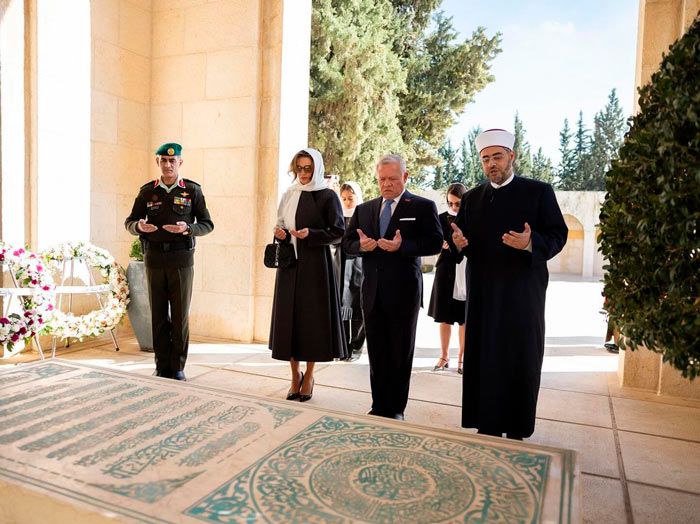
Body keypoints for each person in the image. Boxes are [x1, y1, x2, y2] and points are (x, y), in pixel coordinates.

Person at [451, 129, 567, 439]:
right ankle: (486, 423)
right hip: (484, 294)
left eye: (497, 157)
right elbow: (463, 241)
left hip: (521, 295)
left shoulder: (538, 192)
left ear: (511, 156)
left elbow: (558, 235)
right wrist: (459, 243)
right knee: (485, 356)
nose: (491, 164)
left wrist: (531, 243)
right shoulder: (473, 198)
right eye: (485, 159)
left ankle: (516, 426)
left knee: (519, 356)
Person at [344, 154, 443, 420]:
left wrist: (404, 247)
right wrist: (360, 246)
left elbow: (435, 242)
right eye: (382, 179)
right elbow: (347, 243)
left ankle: (396, 408)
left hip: (404, 293)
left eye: (393, 179)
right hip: (372, 292)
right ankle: (379, 405)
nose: (387, 184)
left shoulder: (422, 207)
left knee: (400, 352)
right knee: (377, 351)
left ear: (405, 177)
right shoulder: (364, 209)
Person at [125, 142, 214, 381]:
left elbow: (207, 224)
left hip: (181, 260)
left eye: (172, 161)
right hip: (153, 259)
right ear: (158, 162)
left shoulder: (192, 190)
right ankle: (161, 364)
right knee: (158, 315)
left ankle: (177, 366)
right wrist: (138, 226)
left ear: (180, 163)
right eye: (163, 160)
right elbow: (131, 221)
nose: (167, 165)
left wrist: (189, 228)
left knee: (179, 316)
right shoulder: (147, 191)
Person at [269, 148, 347, 402]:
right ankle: (294, 376)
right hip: (290, 266)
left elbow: (338, 232)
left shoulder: (327, 196)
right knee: (289, 321)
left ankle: (310, 375)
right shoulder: (289, 194)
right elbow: (281, 225)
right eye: (299, 168)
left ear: (317, 169)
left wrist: (311, 235)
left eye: (308, 168)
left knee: (311, 323)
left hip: (315, 266)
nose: (303, 173)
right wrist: (280, 233)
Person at [427, 182, 468, 374]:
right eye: (450, 203)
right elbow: (437, 243)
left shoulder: (471, 218)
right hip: (445, 271)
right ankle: (444, 356)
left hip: (466, 270)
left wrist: (451, 244)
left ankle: (462, 357)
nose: (453, 207)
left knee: (464, 318)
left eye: (457, 203)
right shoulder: (441, 218)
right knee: (444, 317)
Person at [339, 181, 366, 361]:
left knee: (358, 308)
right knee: (342, 306)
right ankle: (343, 348)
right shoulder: (338, 216)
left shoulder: (365, 215)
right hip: (341, 265)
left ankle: (356, 346)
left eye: (350, 198)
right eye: (344, 199)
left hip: (359, 265)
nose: (347, 202)